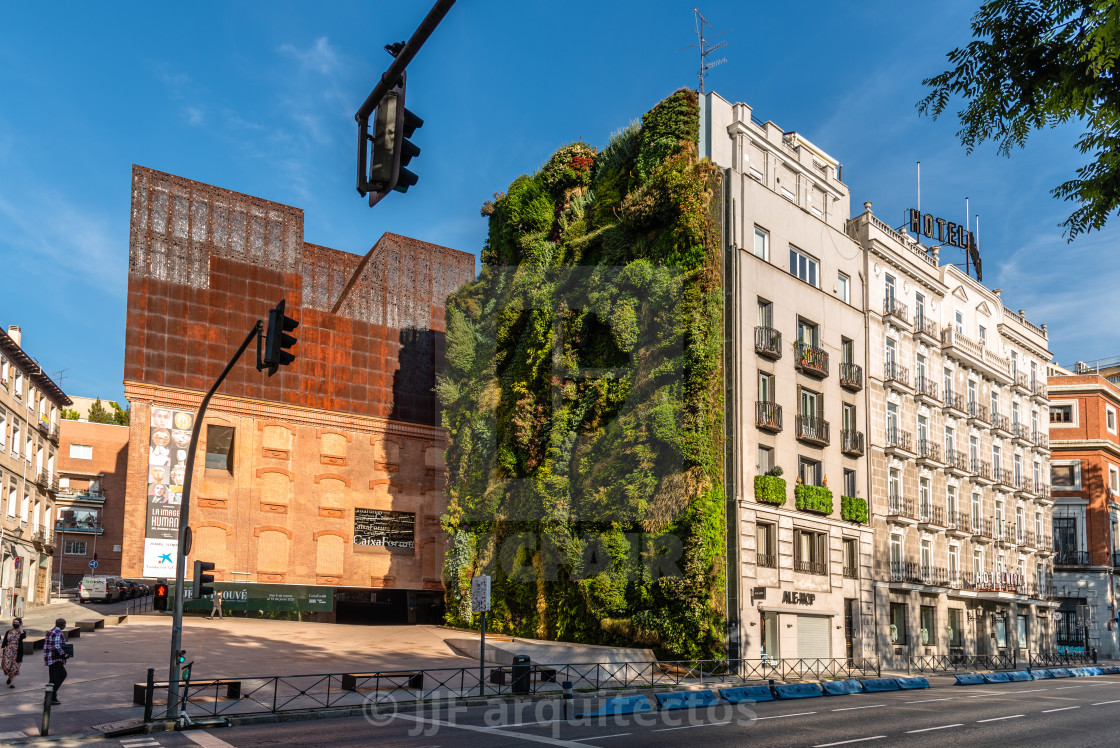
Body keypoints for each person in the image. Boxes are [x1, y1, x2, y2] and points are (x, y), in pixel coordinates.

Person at [43, 618, 68, 704]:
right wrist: (64, 654)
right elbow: (56, 646)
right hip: (55, 659)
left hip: (50, 659)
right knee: (61, 675)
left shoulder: (51, 631)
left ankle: (51, 697)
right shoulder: (58, 632)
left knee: (53, 679)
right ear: (63, 625)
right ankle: (50, 697)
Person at [2, 618, 25, 687]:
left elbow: (23, 636)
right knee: (6, 666)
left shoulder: (21, 632)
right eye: (14, 622)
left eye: (17, 622)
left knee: (15, 667)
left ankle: (11, 683)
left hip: (17, 651)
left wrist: (20, 628)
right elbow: (4, 643)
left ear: (20, 624)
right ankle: (10, 675)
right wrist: (1, 651)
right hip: (8, 651)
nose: (15, 623)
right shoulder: (8, 632)